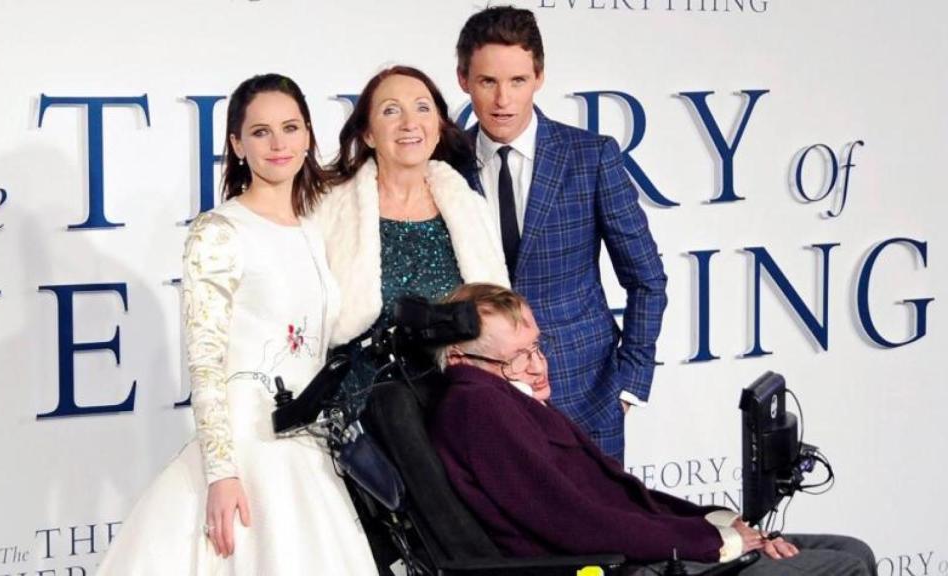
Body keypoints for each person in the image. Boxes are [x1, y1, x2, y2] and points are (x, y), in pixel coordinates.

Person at [96, 74, 377, 575]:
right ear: (236, 145)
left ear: (309, 137)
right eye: (261, 132)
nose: (278, 144)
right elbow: (205, 363)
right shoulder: (219, 232)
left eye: (291, 128)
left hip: (308, 454)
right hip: (246, 452)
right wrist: (221, 474)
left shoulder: (314, 230)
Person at [428, 283, 877, 575]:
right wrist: (714, 542)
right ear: (462, 360)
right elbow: (576, 524)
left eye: (537, 347)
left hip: (649, 546)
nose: (539, 366)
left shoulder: (507, 399)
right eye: (516, 359)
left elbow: (618, 496)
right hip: (621, 565)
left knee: (853, 550)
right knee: (848, 569)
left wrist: (713, 521)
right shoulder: (479, 408)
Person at [455, 6, 668, 462]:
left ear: (539, 77)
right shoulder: (443, 163)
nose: (502, 100)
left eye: (517, 81)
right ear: (464, 80)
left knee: (603, 532)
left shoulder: (591, 157)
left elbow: (647, 279)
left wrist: (630, 384)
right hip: (479, 401)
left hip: (585, 393)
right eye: (487, 82)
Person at [313, 65, 509, 412]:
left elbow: (494, 313)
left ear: (438, 128)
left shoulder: (470, 208)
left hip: (460, 398)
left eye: (422, 108)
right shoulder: (329, 212)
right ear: (369, 134)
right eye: (391, 110)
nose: (409, 122)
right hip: (367, 404)